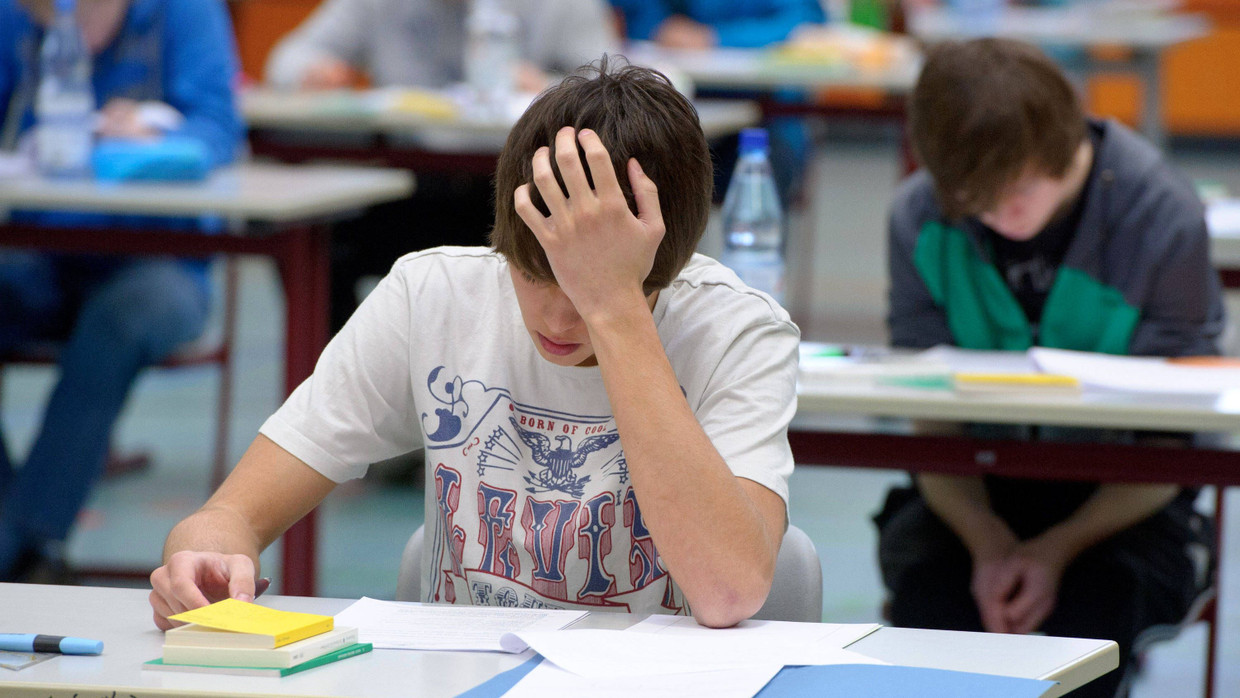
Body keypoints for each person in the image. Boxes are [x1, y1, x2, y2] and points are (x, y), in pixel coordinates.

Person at [149, 58, 800, 628]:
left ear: (669, 266)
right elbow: (229, 515)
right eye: (534, 273)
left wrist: (617, 310)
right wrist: (202, 554)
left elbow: (728, 590)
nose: (558, 318)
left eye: (586, 290)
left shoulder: (737, 331)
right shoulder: (431, 296)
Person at [876, 38, 1221, 697]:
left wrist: (1055, 549)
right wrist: (986, 541)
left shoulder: (1160, 216)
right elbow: (928, 422)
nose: (1000, 216)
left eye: (1018, 189)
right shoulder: (922, 215)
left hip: (1124, 501)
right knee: (933, 607)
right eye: (974, 200)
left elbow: (1174, 443)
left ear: (1064, 144)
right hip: (972, 492)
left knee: (1089, 620)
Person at [0, 0, 243, 582]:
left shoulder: (183, 12)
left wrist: (155, 129)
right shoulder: (13, 17)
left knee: (120, 319)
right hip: (41, 249)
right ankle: (21, 541)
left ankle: (26, 542)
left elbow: (219, 128)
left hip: (164, 259)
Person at [264, 0, 621, 333]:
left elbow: (618, 89)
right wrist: (313, 71)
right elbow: (287, 58)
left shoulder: (562, 7)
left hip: (521, 193)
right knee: (311, 240)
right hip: (410, 186)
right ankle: (351, 370)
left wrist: (550, 88)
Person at [609, 0, 826, 206]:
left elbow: (805, 25)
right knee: (635, 153)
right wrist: (660, 30)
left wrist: (714, 37)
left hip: (761, 115)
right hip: (672, 111)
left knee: (766, 164)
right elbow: (628, 19)